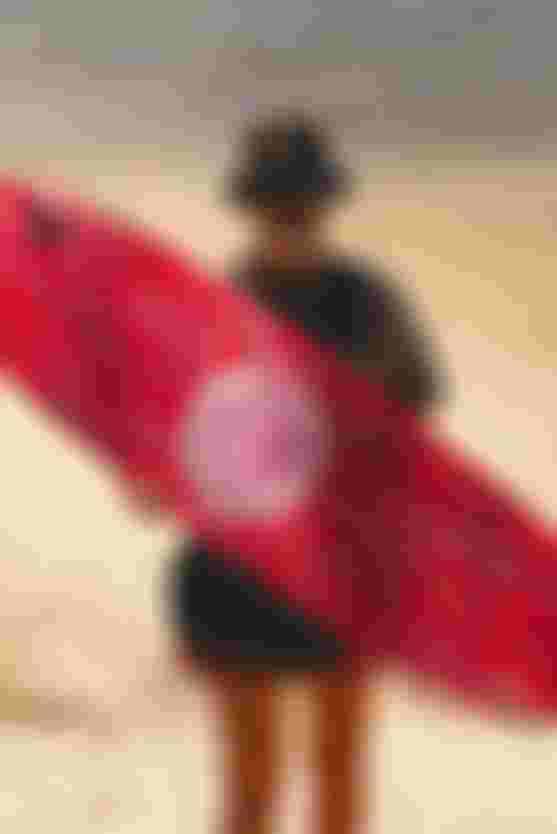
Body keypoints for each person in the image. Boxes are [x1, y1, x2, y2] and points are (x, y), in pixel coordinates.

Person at [133, 113, 449, 834]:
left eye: (300, 205)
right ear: (252, 209)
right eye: (277, 205)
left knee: (338, 782)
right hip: (237, 567)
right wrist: (154, 479)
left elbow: (417, 409)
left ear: (323, 207)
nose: (289, 220)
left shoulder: (370, 303)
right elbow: (170, 426)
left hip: (345, 561)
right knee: (249, 789)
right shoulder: (214, 304)